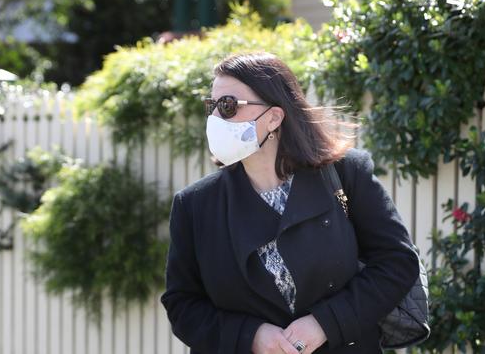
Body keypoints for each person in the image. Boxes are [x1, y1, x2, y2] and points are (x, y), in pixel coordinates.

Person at [160, 52, 420, 354]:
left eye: (228, 106)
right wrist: (251, 336)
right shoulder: (195, 205)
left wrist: (324, 324)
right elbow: (182, 305)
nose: (216, 119)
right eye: (212, 106)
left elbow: (397, 263)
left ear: (274, 116)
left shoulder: (346, 174)